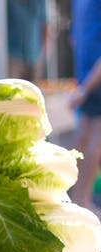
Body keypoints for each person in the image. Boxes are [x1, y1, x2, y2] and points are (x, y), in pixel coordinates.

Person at [68, 0, 101, 217]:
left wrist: (84, 86)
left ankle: (81, 199)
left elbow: (74, 39)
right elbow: (74, 37)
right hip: (89, 77)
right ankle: (81, 200)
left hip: (89, 76)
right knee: (88, 138)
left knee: (88, 137)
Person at [0, 0, 49, 80]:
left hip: (34, 56)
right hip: (11, 57)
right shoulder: (1, 2)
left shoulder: (40, 2)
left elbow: (45, 26)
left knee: (34, 90)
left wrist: (43, 54)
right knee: (10, 89)